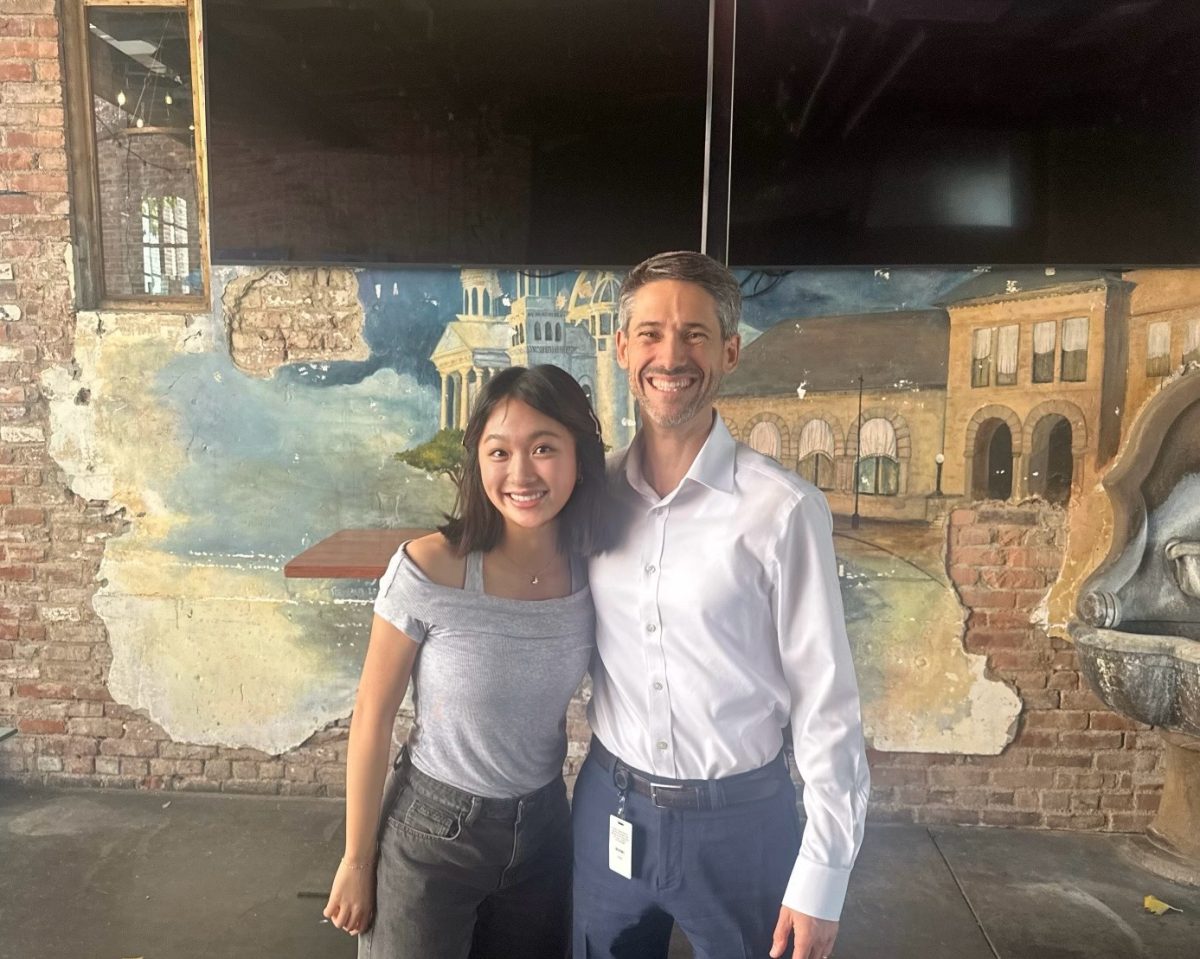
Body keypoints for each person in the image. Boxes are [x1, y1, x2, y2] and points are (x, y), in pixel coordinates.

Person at [573, 252, 871, 959]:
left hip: (743, 824)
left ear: (730, 350)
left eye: (695, 334)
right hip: (609, 807)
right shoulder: (590, 497)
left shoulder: (784, 509)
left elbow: (827, 702)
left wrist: (824, 872)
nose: (670, 355)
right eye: (649, 333)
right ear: (622, 348)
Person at [324, 364, 611, 959]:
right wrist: (357, 859)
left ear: (579, 458)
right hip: (434, 833)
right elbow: (372, 717)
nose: (522, 473)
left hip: (544, 832)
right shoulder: (431, 568)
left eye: (544, 448)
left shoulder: (595, 571)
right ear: (477, 462)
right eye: (499, 451)